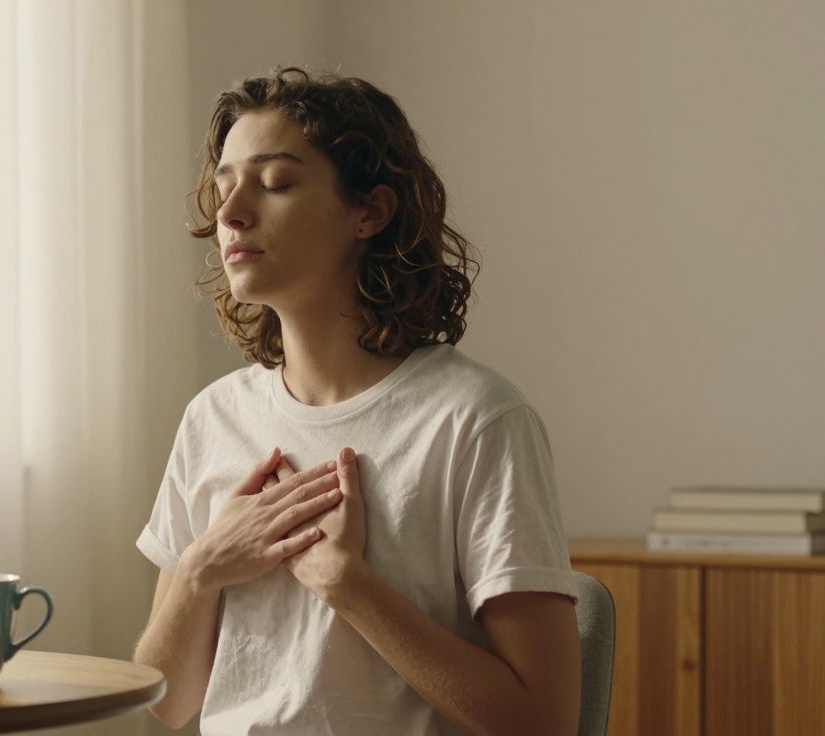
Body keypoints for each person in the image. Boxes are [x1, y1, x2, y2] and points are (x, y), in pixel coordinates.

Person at [132, 67, 581, 735]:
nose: (230, 213)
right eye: (224, 188)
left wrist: (349, 585)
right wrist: (201, 569)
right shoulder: (213, 419)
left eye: (276, 182)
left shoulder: (475, 420)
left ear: (369, 211)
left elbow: (542, 723)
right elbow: (165, 703)